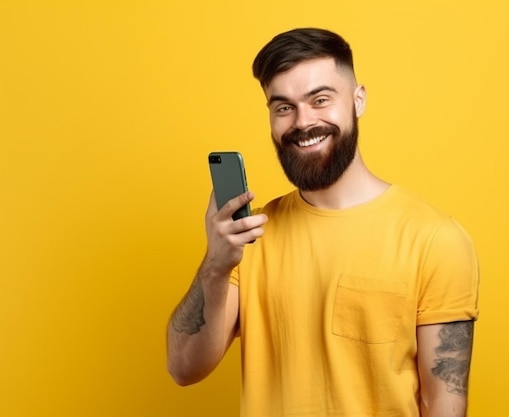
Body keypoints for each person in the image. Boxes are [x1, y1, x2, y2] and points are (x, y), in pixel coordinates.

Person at [167, 28, 479, 417]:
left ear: (358, 100)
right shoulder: (249, 238)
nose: (302, 122)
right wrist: (215, 264)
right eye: (283, 107)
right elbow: (183, 368)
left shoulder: (435, 240)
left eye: (320, 100)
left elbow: (443, 404)